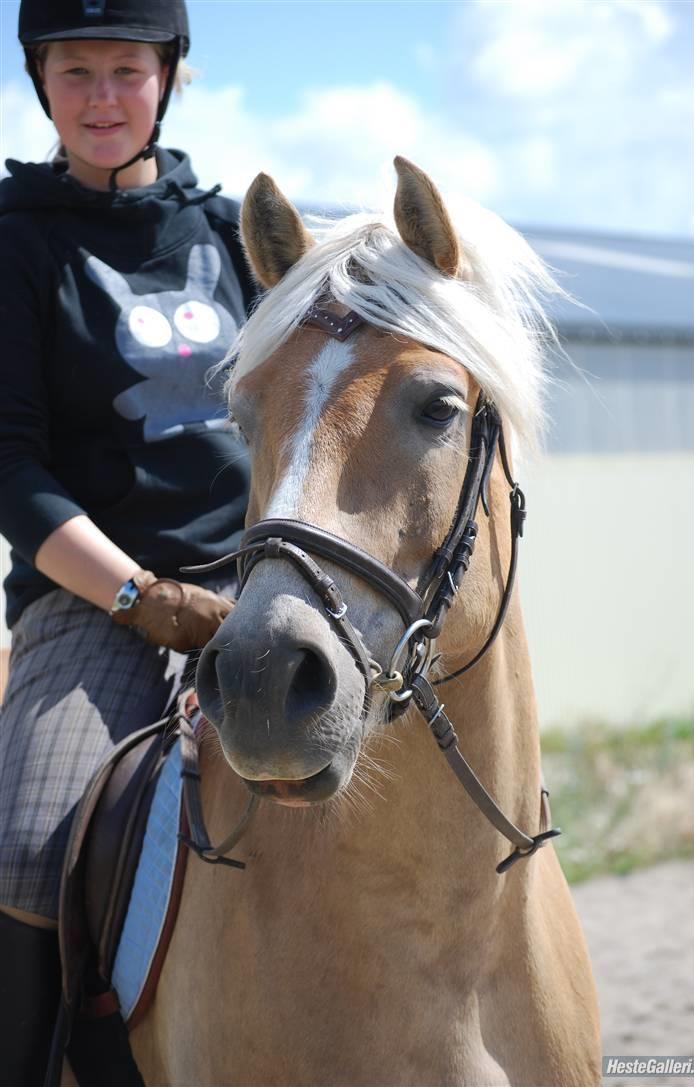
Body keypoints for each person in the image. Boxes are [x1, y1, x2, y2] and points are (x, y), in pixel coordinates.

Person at [0, 1, 257, 1083]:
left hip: (261, 582)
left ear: (169, 77)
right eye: (75, 73)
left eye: (125, 71)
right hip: (94, 599)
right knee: (24, 841)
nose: (102, 99)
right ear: (39, 81)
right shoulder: (17, 241)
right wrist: (141, 598)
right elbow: (12, 470)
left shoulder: (240, 229)